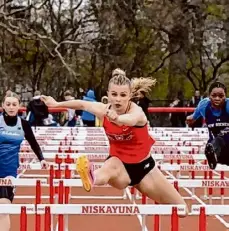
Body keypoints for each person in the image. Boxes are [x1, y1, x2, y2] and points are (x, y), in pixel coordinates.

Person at [41, 69, 187, 215]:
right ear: (108, 94)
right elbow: (82, 104)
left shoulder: (137, 112)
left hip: (145, 169)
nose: (118, 99)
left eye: (123, 95)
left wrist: (117, 119)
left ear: (130, 96)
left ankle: (95, 176)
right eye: (114, 94)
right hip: (120, 168)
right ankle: (91, 177)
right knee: (110, 165)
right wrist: (56, 103)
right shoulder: (103, 110)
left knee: (182, 210)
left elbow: (130, 120)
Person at [0, 91, 49, 231]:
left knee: (4, 208)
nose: (11, 107)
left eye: (14, 104)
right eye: (8, 104)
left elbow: (34, 143)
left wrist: (42, 159)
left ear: (18, 106)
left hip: (8, 172)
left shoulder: (24, 124)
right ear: (3, 106)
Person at [186, 81, 229, 169]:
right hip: (216, 150)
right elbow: (193, 117)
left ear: (225, 97)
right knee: (214, 143)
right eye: (214, 96)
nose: (217, 99)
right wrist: (190, 120)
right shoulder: (204, 105)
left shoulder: (228, 105)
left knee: (220, 138)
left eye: (221, 96)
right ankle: (213, 153)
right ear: (209, 96)